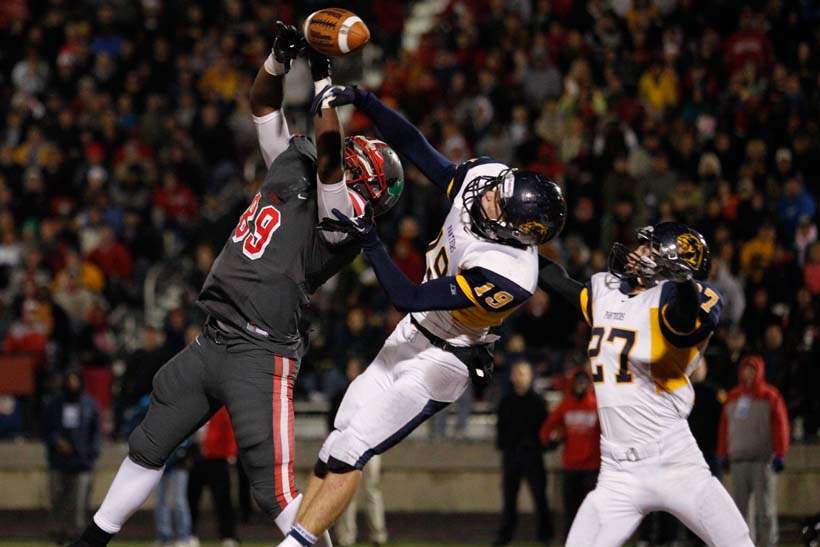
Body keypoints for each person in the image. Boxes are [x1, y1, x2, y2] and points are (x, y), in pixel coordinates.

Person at [69, 23, 404, 547]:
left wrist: (322, 81)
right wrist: (276, 61)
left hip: (261, 353)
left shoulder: (349, 217)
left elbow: (332, 163)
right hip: (215, 336)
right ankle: (91, 540)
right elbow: (264, 106)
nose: (355, 151)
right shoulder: (295, 161)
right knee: (149, 442)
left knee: (274, 491)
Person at [276, 84, 567, 547]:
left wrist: (370, 240)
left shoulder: (509, 273)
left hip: (444, 360)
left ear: (517, 231)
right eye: (499, 188)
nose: (489, 194)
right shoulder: (487, 181)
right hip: (410, 335)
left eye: (499, 202)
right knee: (336, 441)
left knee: (353, 448)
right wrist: (367, 101)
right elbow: (416, 147)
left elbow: (408, 295)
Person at [537, 222, 753, 546]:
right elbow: (558, 281)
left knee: (737, 542)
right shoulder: (609, 292)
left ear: (672, 261)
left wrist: (682, 281)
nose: (637, 251)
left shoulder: (681, 298)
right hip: (617, 471)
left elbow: (683, 319)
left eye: (648, 247)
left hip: (674, 459)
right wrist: (514, 247)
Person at [718, 355, 789, 547]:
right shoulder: (732, 397)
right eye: (745, 369)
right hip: (738, 460)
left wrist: (780, 453)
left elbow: (781, 425)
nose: (748, 373)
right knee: (740, 510)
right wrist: (723, 453)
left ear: (759, 371)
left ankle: (767, 542)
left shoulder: (770, 395)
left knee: (765, 508)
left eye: (752, 369)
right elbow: (724, 428)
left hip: (762, 460)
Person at [330, 358, 388, 547]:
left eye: (354, 368)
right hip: (350, 447)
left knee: (372, 490)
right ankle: (346, 537)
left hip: (370, 446)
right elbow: (333, 422)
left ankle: (377, 535)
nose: (351, 372)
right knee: (348, 493)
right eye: (350, 368)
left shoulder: (375, 393)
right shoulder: (341, 394)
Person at [494, 361, 552, 545]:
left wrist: (538, 446)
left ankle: (545, 536)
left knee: (540, 497)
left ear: (530, 376)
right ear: (512, 377)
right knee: (509, 499)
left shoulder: (538, 402)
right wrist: (505, 446)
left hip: (532, 456)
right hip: (512, 456)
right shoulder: (506, 402)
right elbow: (501, 428)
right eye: (517, 373)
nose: (520, 377)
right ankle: (505, 536)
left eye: (523, 373)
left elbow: (545, 429)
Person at [42, 370, 101, 544]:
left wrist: (91, 454)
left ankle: (77, 536)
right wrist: (56, 441)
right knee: (57, 500)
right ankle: (57, 535)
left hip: (82, 463)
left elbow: (96, 432)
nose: (72, 384)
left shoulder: (89, 404)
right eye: (69, 380)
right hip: (59, 461)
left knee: (79, 503)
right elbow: (45, 429)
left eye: (75, 380)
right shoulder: (55, 404)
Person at [539, 368, 600, 537]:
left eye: (583, 381)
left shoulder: (595, 405)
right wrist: (550, 441)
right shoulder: (566, 405)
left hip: (591, 468)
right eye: (577, 381)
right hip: (571, 467)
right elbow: (547, 428)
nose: (580, 385)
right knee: (571, 511)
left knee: (590, 510)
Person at [188, 407, 239, 547]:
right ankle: (190, 533)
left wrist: (230, 455)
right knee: (192, 498)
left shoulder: (221, 411)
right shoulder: (195, 409)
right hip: (197, 459)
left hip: (218, 460)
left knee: (223, 499)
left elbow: (230, 431)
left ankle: (228, 535)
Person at [154, 438, 194, 547]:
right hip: (162, 465)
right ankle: (164, 537)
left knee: (178, 501)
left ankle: (183, 537)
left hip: (178, 465)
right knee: (161, 501)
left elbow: (185, 443)